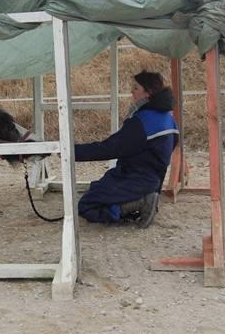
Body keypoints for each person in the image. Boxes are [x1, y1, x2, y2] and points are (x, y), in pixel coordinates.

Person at [74, 70, 179, 227]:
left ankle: (135, 204)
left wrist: (72, 151)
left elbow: (109, 148)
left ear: (148, 92)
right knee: (96, 187)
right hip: (152, 179)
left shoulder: (142, 122)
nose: (132, 91)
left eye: (136, 88)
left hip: (134, 178)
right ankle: (142, 201)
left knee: (87, 205)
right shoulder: (169, 119)